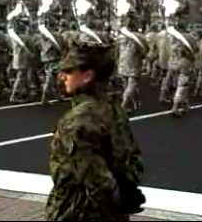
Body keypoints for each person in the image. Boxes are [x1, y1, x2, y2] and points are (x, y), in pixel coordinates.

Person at [46, 41, 145, 221]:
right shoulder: (114, 110)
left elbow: (97, 181)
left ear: (87, 76)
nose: (62, 77)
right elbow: (133, 161)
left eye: (69, 71)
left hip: (79, 213)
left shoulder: (77, 121)